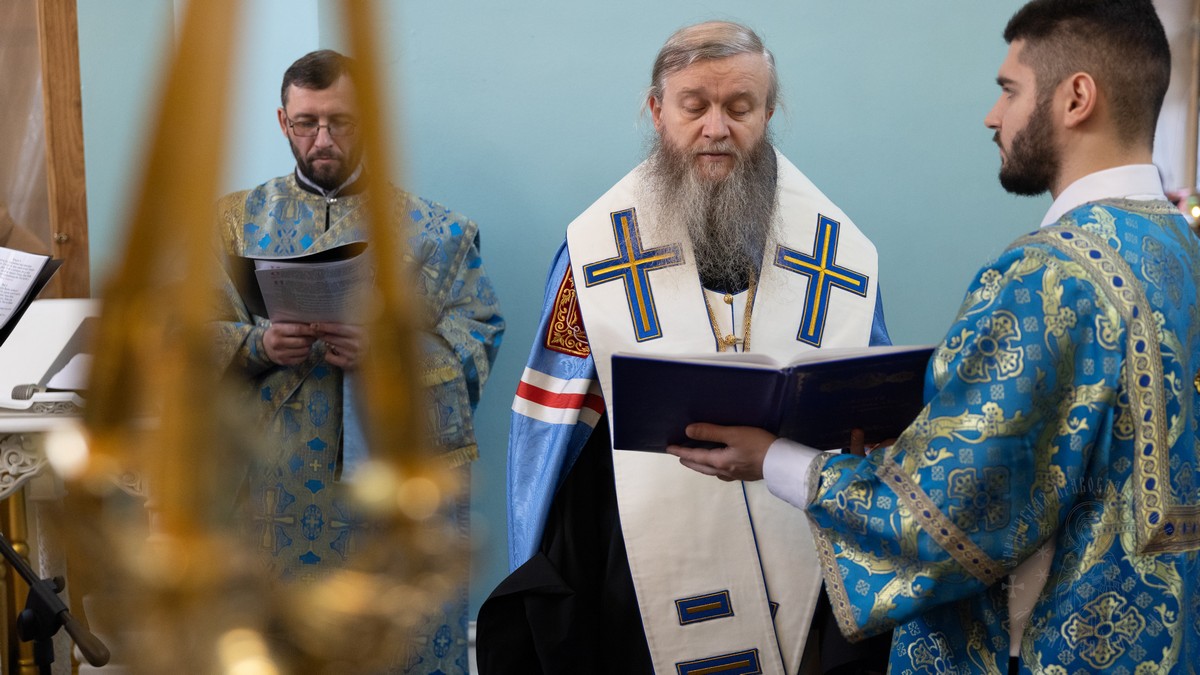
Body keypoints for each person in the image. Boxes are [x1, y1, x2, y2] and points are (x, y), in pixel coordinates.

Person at [669, 1, 1200, 672]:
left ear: (1076, 98)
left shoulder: (1048, 275)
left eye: (1009, 90)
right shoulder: (1180, 247)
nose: (993, 116)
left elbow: (942, 516)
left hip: (1054, 647)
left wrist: (771, 458)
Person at [478, 21, 892, 675]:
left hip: (800, 553)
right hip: (643, 566)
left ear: (768, 113)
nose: (716, 128)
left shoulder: (837, 251)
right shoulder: (594, 252)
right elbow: (553, 425)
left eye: (739, 107)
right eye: (694, 105)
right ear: (657, 110)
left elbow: (876, 403)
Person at [211, 49, 503, 674]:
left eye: (340, 122)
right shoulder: (233, 223)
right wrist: (258, 345)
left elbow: (477, 339)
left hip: (390, 489)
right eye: (305, 122)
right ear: (282, 121)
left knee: (397, 643)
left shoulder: (439, 232)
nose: (322, 139)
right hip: (271, 485)